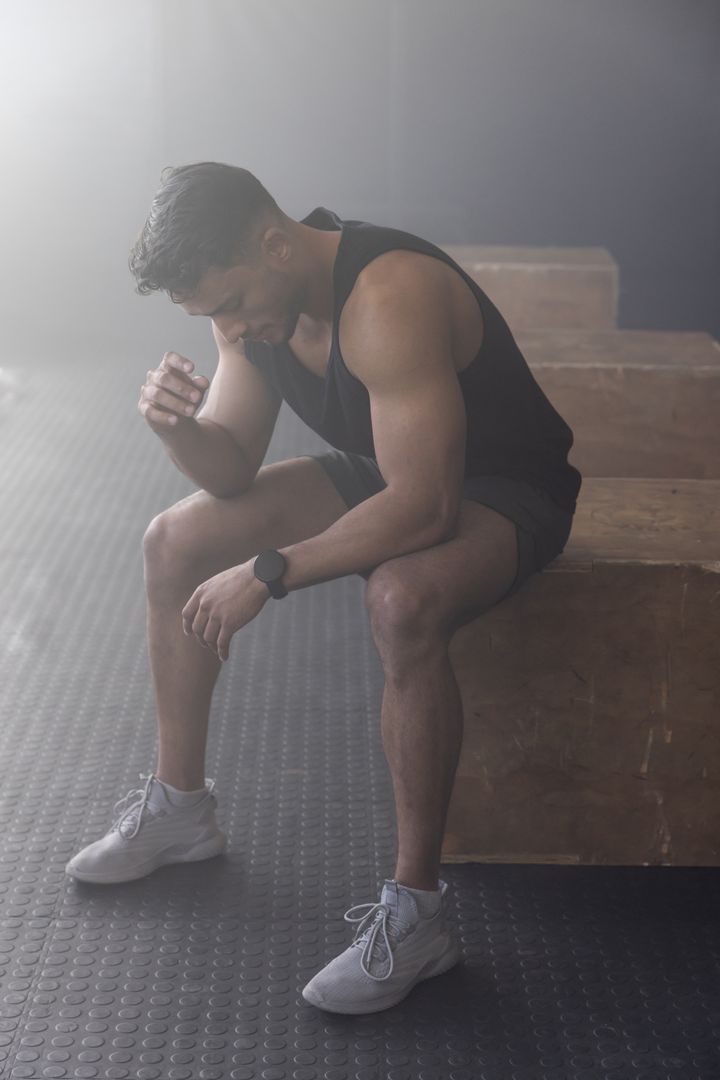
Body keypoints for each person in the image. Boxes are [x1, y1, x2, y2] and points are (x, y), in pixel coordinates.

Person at [65, 161, 582, 1014]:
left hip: (503, 489)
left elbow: (425, 509)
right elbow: (231, 469)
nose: (230, 328)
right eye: (213, 317)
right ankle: (180, 809)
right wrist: (176, 429)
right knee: (175, 541)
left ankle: (417, 918)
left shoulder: (388, 296)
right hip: (392, 464)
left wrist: (272, 571)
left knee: (400, 599)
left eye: (230, 305)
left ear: (274, 242)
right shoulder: (257, 305)